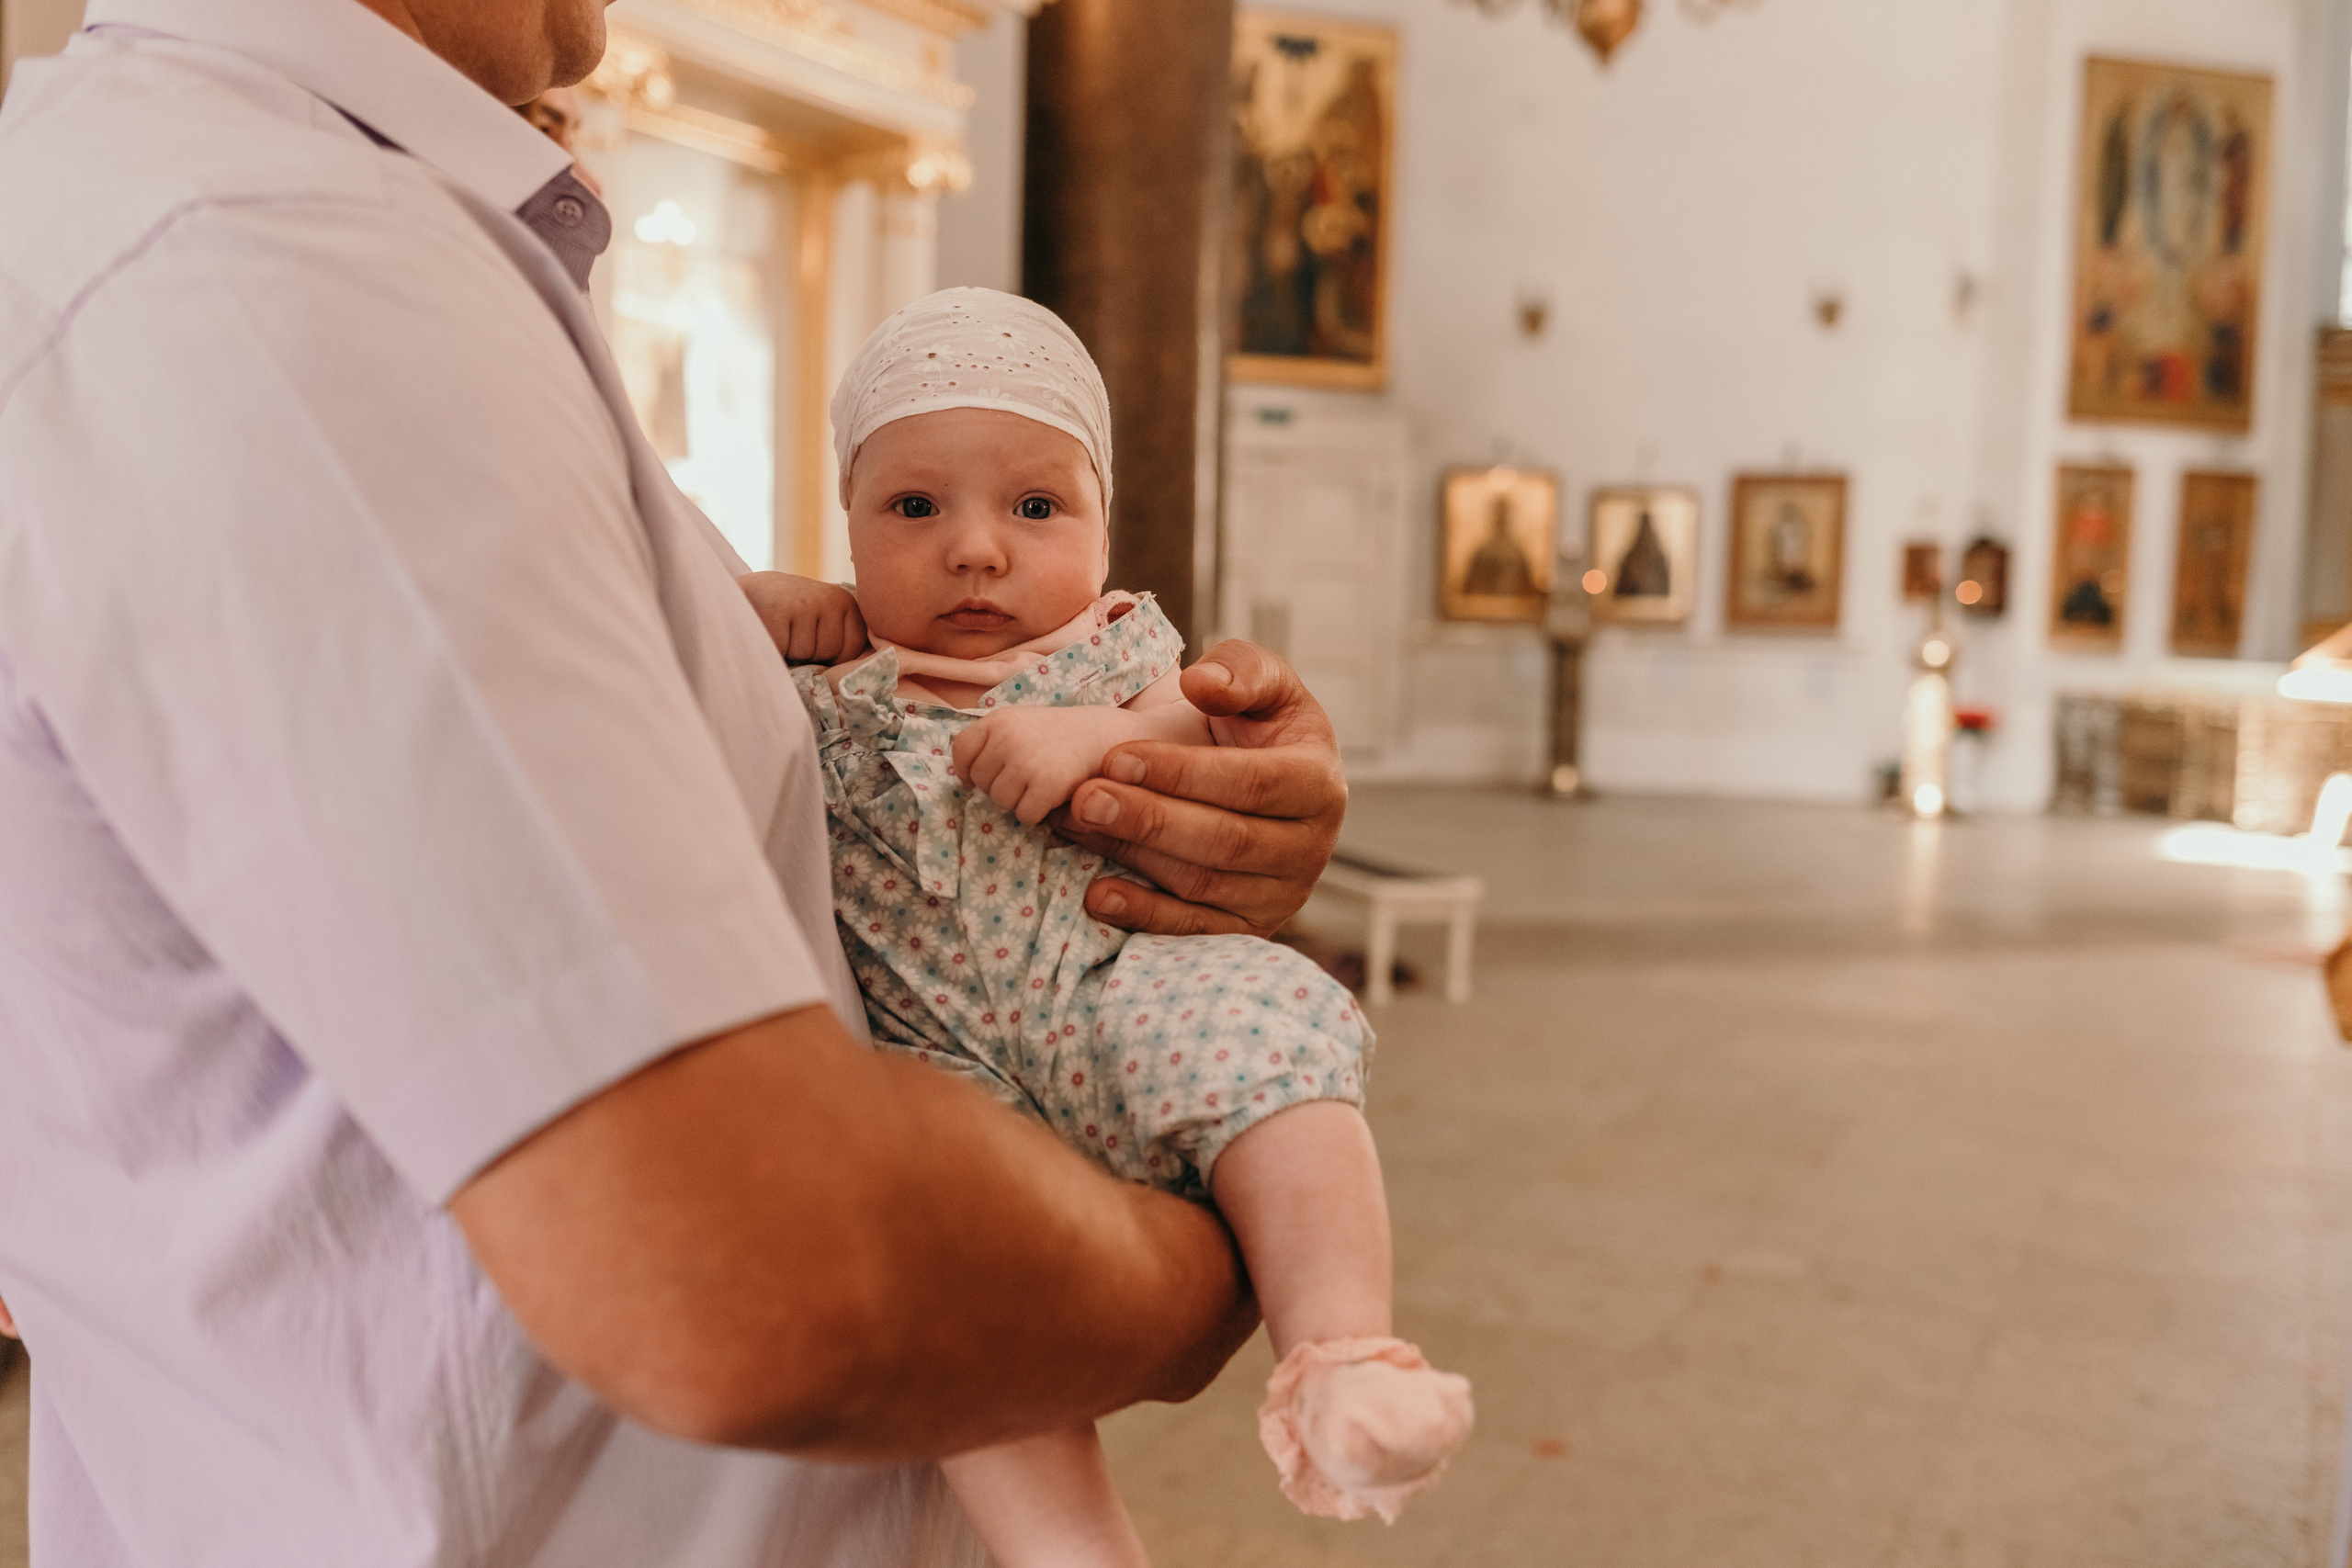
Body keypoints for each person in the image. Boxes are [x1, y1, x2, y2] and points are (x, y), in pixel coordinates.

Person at [0, 2, 1349, 1562]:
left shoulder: (252, 226)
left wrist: (1169, 815)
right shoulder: (270, 265)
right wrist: (1209, 1255)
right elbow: (741, 1278)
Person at [750, 289, 1473, 1563]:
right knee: (948, 1301)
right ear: (849, 522)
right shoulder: (829, 667)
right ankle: (1074, 1552)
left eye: (1035, 508)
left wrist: (1108, 732)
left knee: (1277, 1044)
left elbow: (1211, 734)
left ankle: (1341, 1353)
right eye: (915, 508)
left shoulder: (1119, 649)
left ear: (1103, 520)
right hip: (933, 1068)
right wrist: (759, 612)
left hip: (1119, 993)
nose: (976, 550)